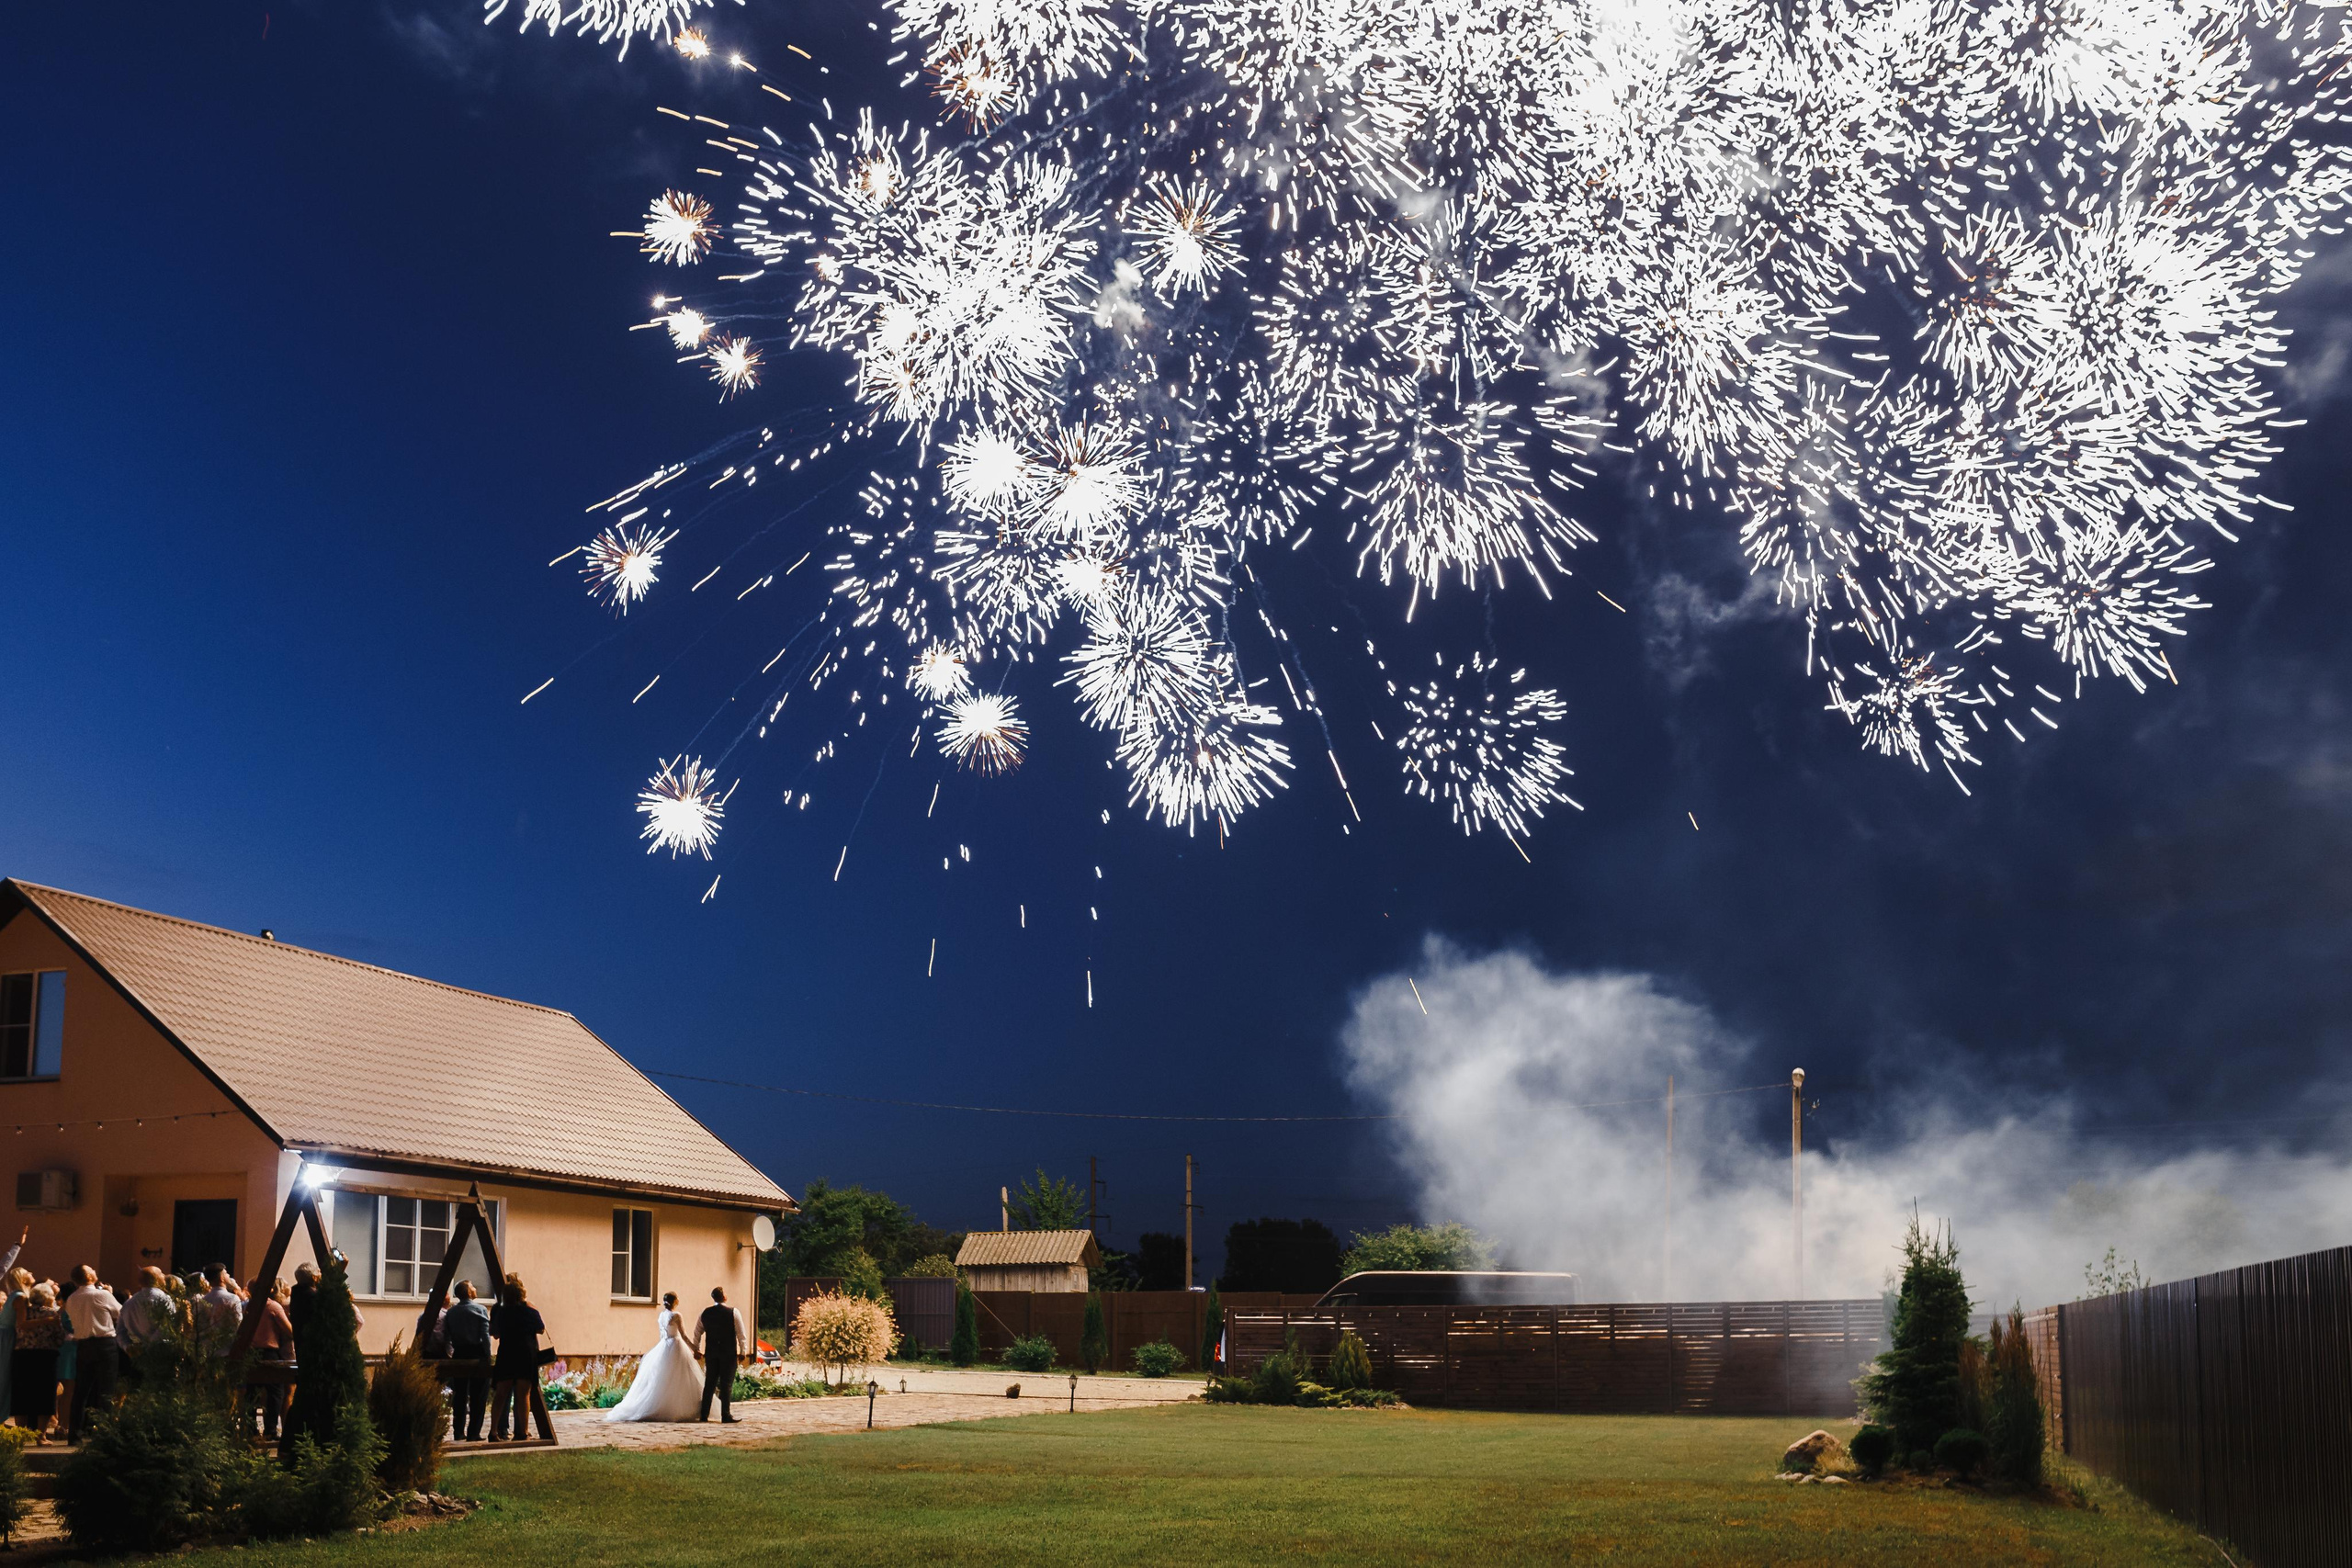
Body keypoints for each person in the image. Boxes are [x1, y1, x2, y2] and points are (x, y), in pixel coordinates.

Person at [603, 1291, 704, 1424]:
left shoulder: (662, 1315)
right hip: (676, 1345)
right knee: (679, 1378)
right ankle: (677, 1407)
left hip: (664, 1345)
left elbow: (662, 1334)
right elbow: (684, 1335)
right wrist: (695, 1350)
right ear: (675, 1301)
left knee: (662, 1379)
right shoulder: (676, 1315)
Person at [63, 1266, 121, 1440]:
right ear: (88, 1276)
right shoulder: (101, 1294)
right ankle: (105, 1434)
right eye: (92, 1270)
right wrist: (109, 1293)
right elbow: (120, 1312)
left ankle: (74, 1434)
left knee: (81, 1391)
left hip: (83, 1345)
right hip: (104, 1343)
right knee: (106, 1390)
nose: (96, 1270)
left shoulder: (72, 1298)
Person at [487, 1275, 545, 1442]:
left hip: (506, 1353)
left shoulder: (500, 1311)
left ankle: (493, 1431)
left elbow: (495, 1333)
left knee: (501, 1393)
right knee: (523, 1394)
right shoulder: (529, 1310)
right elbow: (540, 1329)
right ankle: (523, 1432)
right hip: (525, 1354)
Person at [441, 1280, 493, 1441]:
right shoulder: (480, 1310)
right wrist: (487, 1355)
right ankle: (474, 1432)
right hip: (477, 1353)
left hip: (459, 1353)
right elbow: (485, 1335)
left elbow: (446, 1335)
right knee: (479, 1395)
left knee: (460, 1395)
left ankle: (458, 1431)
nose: (475, 1288)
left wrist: (450, 1352)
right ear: (469, 1293)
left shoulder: (451, 1313)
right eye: (473, 1287)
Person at [244, 1277, 295, 1440]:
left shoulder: (247, 1305)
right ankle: (271, 1430)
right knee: (276, 1392)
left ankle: (251, 1430)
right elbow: (289, 1331)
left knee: (251, 1392)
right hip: (270, 1351)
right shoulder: (273, 1306)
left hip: (251, 1352)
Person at [689, 1286, 747, 1424]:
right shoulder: (733, 1312)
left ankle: (704, 1415)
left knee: (710, 1383)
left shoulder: (705, 1313)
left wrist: (696, 1349)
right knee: (726, 1384)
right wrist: (743, 1351)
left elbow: (697, 1333)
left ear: (713, 1298)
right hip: (728, 1353)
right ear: (724, 1297)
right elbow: (741, 1334)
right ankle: (725, 1414)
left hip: (712, 1352)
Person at [11, 1280, 60, 1442]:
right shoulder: (51, 1314)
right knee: (45, 1395)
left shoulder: (24, 1312)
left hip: (22, 1356)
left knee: (22, 1394)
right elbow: (59, 1338)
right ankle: (41, 1435)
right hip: (45, 1356)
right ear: (47, 1297)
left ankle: (21, 1434)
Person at [118, 1267, 175, 1378]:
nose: (164, 1275)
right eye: (161, 1273)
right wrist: (147, 1346)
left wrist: (127, 1346)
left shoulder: (129, 1302)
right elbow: (167, 1326)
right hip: (160, 1354)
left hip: (136, 1356)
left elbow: (120, 1331)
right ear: (156, 1279)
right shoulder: (164, 1299)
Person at [197, 1267, 243, 1354]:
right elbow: (238, 1324)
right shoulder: (232, 1298)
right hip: (227, 1348)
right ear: (222, 1278)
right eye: (226, 1273)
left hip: (207, 1349)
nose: (228, 1275)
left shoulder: (203, 1300)